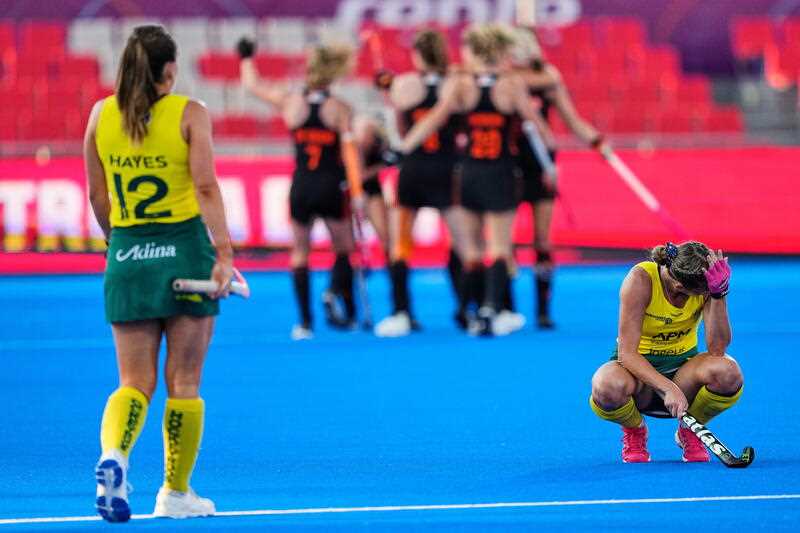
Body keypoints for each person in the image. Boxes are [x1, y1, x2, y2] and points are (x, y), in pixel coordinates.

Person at [84, 25, 233, 521]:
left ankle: (115, 456)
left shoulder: (100, 116)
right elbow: (206, 187)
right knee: (184, 380)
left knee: (133, 380)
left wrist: (119, 243)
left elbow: (98, 197)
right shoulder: (190, 113)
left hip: (126, 252)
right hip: (183, 249)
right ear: (170, 69)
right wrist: (225, 253)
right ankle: (175, 492)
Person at [399, 23, 552, 336]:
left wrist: (402, 147)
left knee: (471, 248)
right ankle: (490, 309)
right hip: (500, 173)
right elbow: (540, 129)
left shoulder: (461, 85)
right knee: (499, 247)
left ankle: (465, 309)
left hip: (467, 173)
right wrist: (548, 160)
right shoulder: (511, 86)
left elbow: (433, 119)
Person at [238, 38, 362, 339]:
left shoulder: (290, 101)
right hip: (330, 185)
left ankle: (305, 323)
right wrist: (357, 193)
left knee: (300, 253)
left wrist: (245, 57)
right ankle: (335, 294)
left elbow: (252, 85)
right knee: (344, 248)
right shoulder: (340, 109)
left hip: (302, 184)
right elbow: (349, 154)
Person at [589, 241, 743, 463]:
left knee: (729, 372)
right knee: (605, 384)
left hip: (684, 373)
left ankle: (690, 431)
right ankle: (635, 429)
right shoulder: (641, 280)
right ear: (680, 286)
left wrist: (719, 294)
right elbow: (627, 354)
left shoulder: (707, 285)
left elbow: (717, 349)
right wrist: (667, 387)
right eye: (702, 292)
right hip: (637, 376)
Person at [508, 27, 609, 329]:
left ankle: (542, 308)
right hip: (507, 164)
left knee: (542, 238)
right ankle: (507, 306)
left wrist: (597, 142)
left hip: (540, 163)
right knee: (506, 240)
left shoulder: (547, 83)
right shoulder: (507, 80)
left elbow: (572, 118)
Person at [372, 29, 467, 337]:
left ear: (417, 54)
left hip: (412, 169)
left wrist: (386, 89)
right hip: (447, 168)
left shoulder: (404, 84)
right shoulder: (457, 83)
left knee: (400, 244)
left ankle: (402, 312)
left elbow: (398, 129)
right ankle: (467, 309)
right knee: (462, 244)